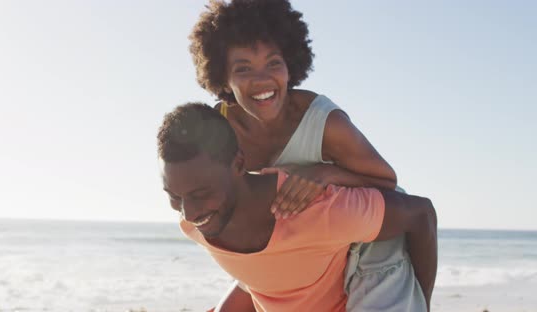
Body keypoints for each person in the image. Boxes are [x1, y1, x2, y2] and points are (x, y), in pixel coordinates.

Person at [188, 1, 436, 311]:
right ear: (223, 78)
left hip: (370, 242)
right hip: (301, 248)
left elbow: (387, 183)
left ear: (290, 65)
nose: (262, 79)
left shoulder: (326, 123)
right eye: (243, 68)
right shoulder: (220, 132)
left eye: (273, 63)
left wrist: (323, 174)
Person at [157, 103, 437, 312]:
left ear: (239, 165)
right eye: (174, 196)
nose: (188, 213)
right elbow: (260, 277)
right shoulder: (196, 223)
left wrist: (422, 303)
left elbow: (421, 213)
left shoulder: (318, 209)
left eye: (201, 193)